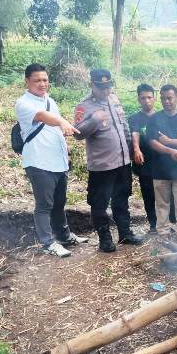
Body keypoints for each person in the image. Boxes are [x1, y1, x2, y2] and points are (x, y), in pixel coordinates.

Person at [15, 63, 87, 257]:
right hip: (39, 161)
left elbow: (55, 128)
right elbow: (42, 116)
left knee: (59, 202)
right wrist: (62, 121)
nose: (42, 84)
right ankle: (48, 243)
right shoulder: (23, 103)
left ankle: (64, 236)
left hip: (58, 161)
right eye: (37, 80)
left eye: (45, 80)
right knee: (44, 205)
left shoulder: (51, 101)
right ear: (27, 81)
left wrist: (66, 147)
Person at [73, 69, 143, 252]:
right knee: (99, 204)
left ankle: (125, 233)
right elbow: (77, 134)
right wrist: (94, 120)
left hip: (122, 162)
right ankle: (104, 239)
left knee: (122, 199)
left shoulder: (114, 99)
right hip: (102, 166)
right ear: (92, 85)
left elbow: (124, 126)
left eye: (108, 86)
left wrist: (131, 150)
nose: (106, 90)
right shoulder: (84, 106)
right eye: (101, 87)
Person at [147, 84, 177, 238]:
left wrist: (169, 141)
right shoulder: (154, 118)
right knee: (162, 203)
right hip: (160, 169)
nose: (166, 101)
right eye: (163, 98)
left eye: (170, 98)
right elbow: (152, 142)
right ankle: (162, 231)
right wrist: (170, 150)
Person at [129, 83, 175, 233]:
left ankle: (171, 222)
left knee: (168, 194)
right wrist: (136, 149)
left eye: (149, 97)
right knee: (148, 195)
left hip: (163, 163)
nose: (147, 101)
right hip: (144, 164)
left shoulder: (163, 116)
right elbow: (135, 133)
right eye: (143, 98)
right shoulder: (134, 119)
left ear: (155, 98)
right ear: (138, 99)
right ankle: (153, 224)